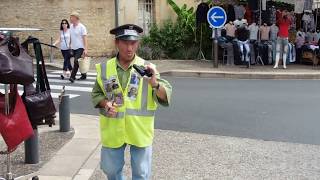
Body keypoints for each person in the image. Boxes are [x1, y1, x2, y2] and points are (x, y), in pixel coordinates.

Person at [91, 24, 172, 180]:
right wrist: (105, 104)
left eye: (133, 43)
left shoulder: (148, 68)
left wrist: (155, 84)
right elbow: (96, 94)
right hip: (113, 129)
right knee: (111, 171)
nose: (129, 47)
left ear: (138, 43)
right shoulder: (104, 68)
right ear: (117, 43)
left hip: (139, 130)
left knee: (141, 173)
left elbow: (165, 94)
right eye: (125, 43)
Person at [69, 11, 88, 83]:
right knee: (79, 62)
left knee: (76, 61)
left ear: (76, 18)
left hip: (80, 47)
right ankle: (84, 74)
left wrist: (85, 49)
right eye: (70, 17)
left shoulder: (82, 27)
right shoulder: (71, 26)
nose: (70, 19)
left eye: (72, 17)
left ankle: (72, 77)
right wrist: (69, 44)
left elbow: (85, 39)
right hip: (73, 47)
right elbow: (71, 36)